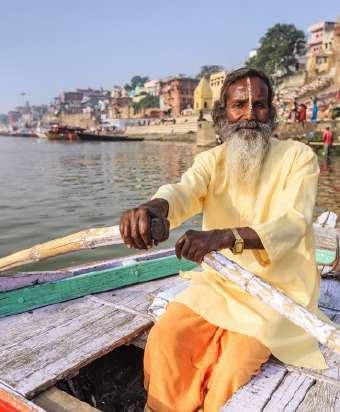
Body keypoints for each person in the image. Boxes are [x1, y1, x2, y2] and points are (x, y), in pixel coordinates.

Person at [119, 67, 329, 412]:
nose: (249, 115)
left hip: (276, 292)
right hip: (220, 284)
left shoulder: (298, 157)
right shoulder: (210, 161)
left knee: (227, 376)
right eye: (239, 105)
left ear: (271, 112)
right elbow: (183, 192)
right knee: (164, 342)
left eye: (259, 105)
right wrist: (151, 208)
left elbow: (294, 223)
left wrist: (225, 237)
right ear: (223, 113)